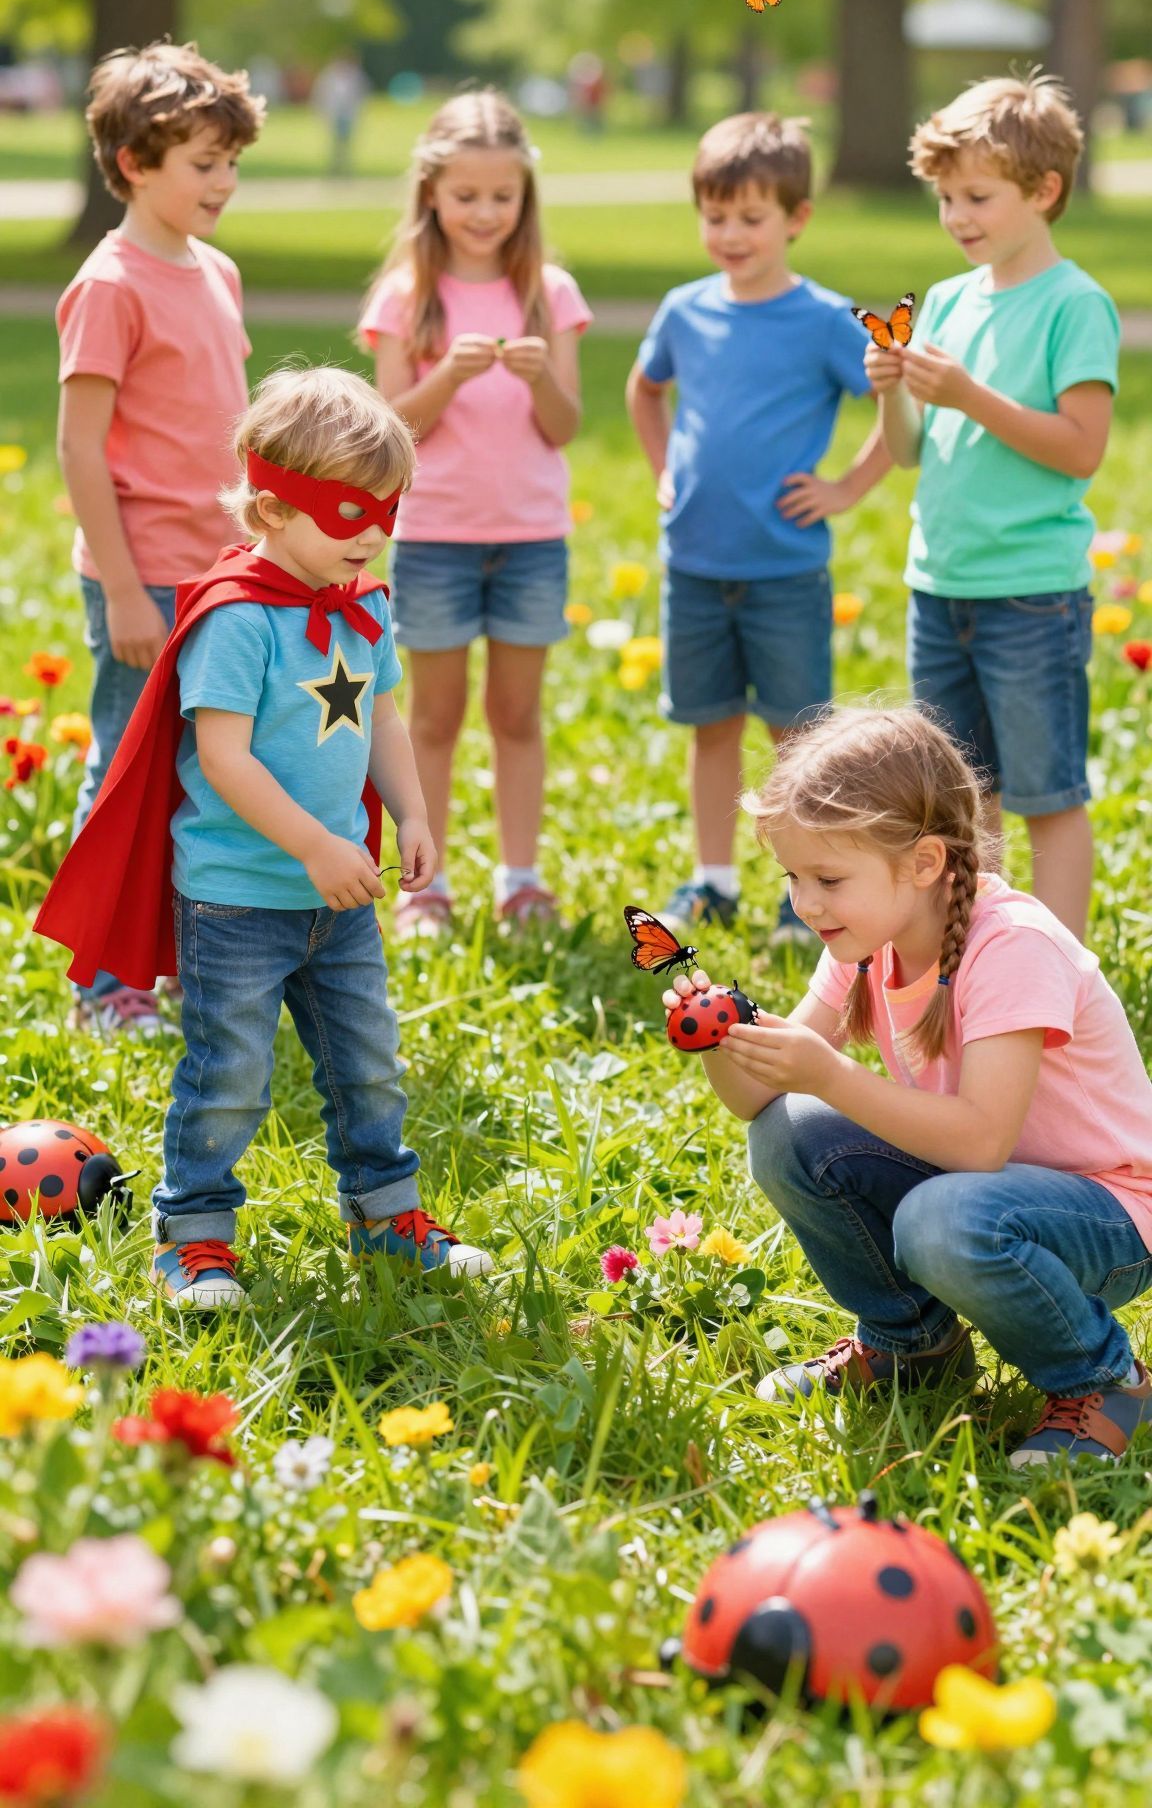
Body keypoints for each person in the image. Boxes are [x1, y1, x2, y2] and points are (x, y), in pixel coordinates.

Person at [38, 367, 494, 1306]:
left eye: (386, 510)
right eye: (345, 511)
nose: (369, 533)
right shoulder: (240, 619)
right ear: (272, 508)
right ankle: (193, 1233)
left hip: (341, 903)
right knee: (231, 1073)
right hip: (240, 896)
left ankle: (387, 1215)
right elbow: (226, 759)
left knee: (368, 1067)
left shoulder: (362, 601)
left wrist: (409, 811)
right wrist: (315, 846)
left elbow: (385, 719)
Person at [666, 705, 1152, 1466]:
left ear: (924, 863)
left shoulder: (1011, 945)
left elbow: (981, 1142)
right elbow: (761, 1103)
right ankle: (913, 1345)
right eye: (793, 877)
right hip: (983, 1191)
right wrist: (724, 1037)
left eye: (828, 878)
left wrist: (831, 1073)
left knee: (938, 1219)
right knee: (789, 1132)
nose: (805, 902)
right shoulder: (867, 938)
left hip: (1107, 1212)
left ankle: (1104, 1378)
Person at [626, 111, 891, 948]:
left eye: (751, 218)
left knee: (796, 738)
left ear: (797, 219)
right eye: (715, 217)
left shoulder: (823, 319)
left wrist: (848, 485)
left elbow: (892, 396)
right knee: (711, 725)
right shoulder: (684, 309)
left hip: (784, 570)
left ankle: (800, 887)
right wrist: (663, 469)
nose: (730, 235)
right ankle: (714, 880)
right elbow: (644, 390)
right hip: (696, 564)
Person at [868, 72, 1121, 943]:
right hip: (940, 584)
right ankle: (984, 950)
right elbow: (909, 452)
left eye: (977, 196)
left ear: (1044, 191)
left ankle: (1062, 969)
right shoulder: (945, 300)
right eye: (944, 197)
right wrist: (892, 393)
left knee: (1048, 794)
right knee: (960, 802)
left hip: (1030, 595)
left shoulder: (1074, 304)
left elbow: (1080, 447)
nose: (956, 215)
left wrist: (967, 392)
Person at [55, 38, 265, 1033]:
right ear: (136, 162)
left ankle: (181, 957)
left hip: (224, 574)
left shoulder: (216, 270)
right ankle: (106, 981)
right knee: (129, 775)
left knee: (211, 769)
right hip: (145, 582)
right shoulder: (110, 283)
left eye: (230, 161)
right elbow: (81, 446)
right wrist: (129, 590)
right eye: (202, 163)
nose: (223, 181)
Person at [359, 89, 591, 937]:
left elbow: (564, 427)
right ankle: (429, 882)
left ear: (525, 197)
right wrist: (449, 376)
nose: (485, 213)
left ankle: (521, 878)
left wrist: (537, 378)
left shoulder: (551, 293)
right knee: (432, 716)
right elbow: (389, 431)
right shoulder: (405, 296)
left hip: (530, 538)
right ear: (430, 193)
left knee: (517, 714)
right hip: (435, 540)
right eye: (466, 196)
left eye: (503, 196)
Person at [312, 53, 370, 175]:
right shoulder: (330, 77)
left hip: (348, 114)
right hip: (335, 114)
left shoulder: (355, 77)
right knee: (336, 143)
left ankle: (345, 167)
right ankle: (335, 167)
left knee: (346, 142)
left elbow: (361, 95)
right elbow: (322, 95)